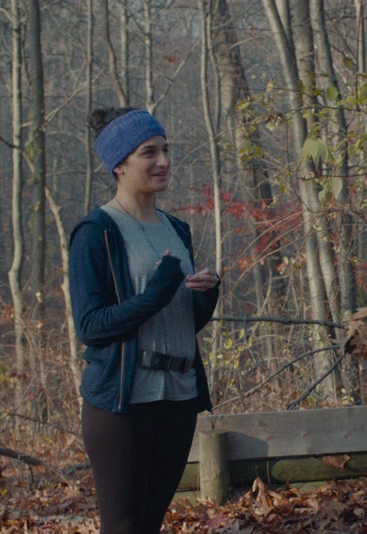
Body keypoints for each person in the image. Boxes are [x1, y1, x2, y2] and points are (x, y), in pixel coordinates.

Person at [69, 107, 222, 533]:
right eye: (149, 153)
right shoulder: (97, 231)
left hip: (178, 395)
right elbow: (91, 325)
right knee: (124, 527)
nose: (164, 161)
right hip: (123, 401)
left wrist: (207, 295)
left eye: (165, 150)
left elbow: (181, 323)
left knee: (150, 525)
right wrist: (153, 296)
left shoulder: (176, 228)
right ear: (119, 164)